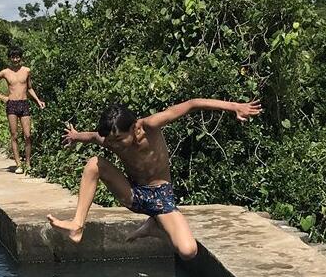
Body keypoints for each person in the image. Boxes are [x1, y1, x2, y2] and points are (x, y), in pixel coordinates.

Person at [47, 99, 262, 260]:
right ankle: (77, 225)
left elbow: (192, 104)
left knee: (188, 251)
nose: (116, 145)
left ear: (133, 128)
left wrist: (234, 106)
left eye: (120, 139)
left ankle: (154, 227)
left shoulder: (150, 125)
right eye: (111, 141)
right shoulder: (112, 140)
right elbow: (93, 136)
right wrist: (75, 136)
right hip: (133, 193)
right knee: (94, 163)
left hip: (161, 197)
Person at [0, 47, 46, 174]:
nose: (15, 59)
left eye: (17, 57)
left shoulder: (27, 71)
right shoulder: (5, 72)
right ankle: (18, 164)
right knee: (14, 135)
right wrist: (2, 97)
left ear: (21, 58)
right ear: (10, 58)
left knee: (28, 135)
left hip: (24, 104)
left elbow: (29, 88)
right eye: (13, 57)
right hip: (12, 104)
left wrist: (38, 101)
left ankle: (28, 163)